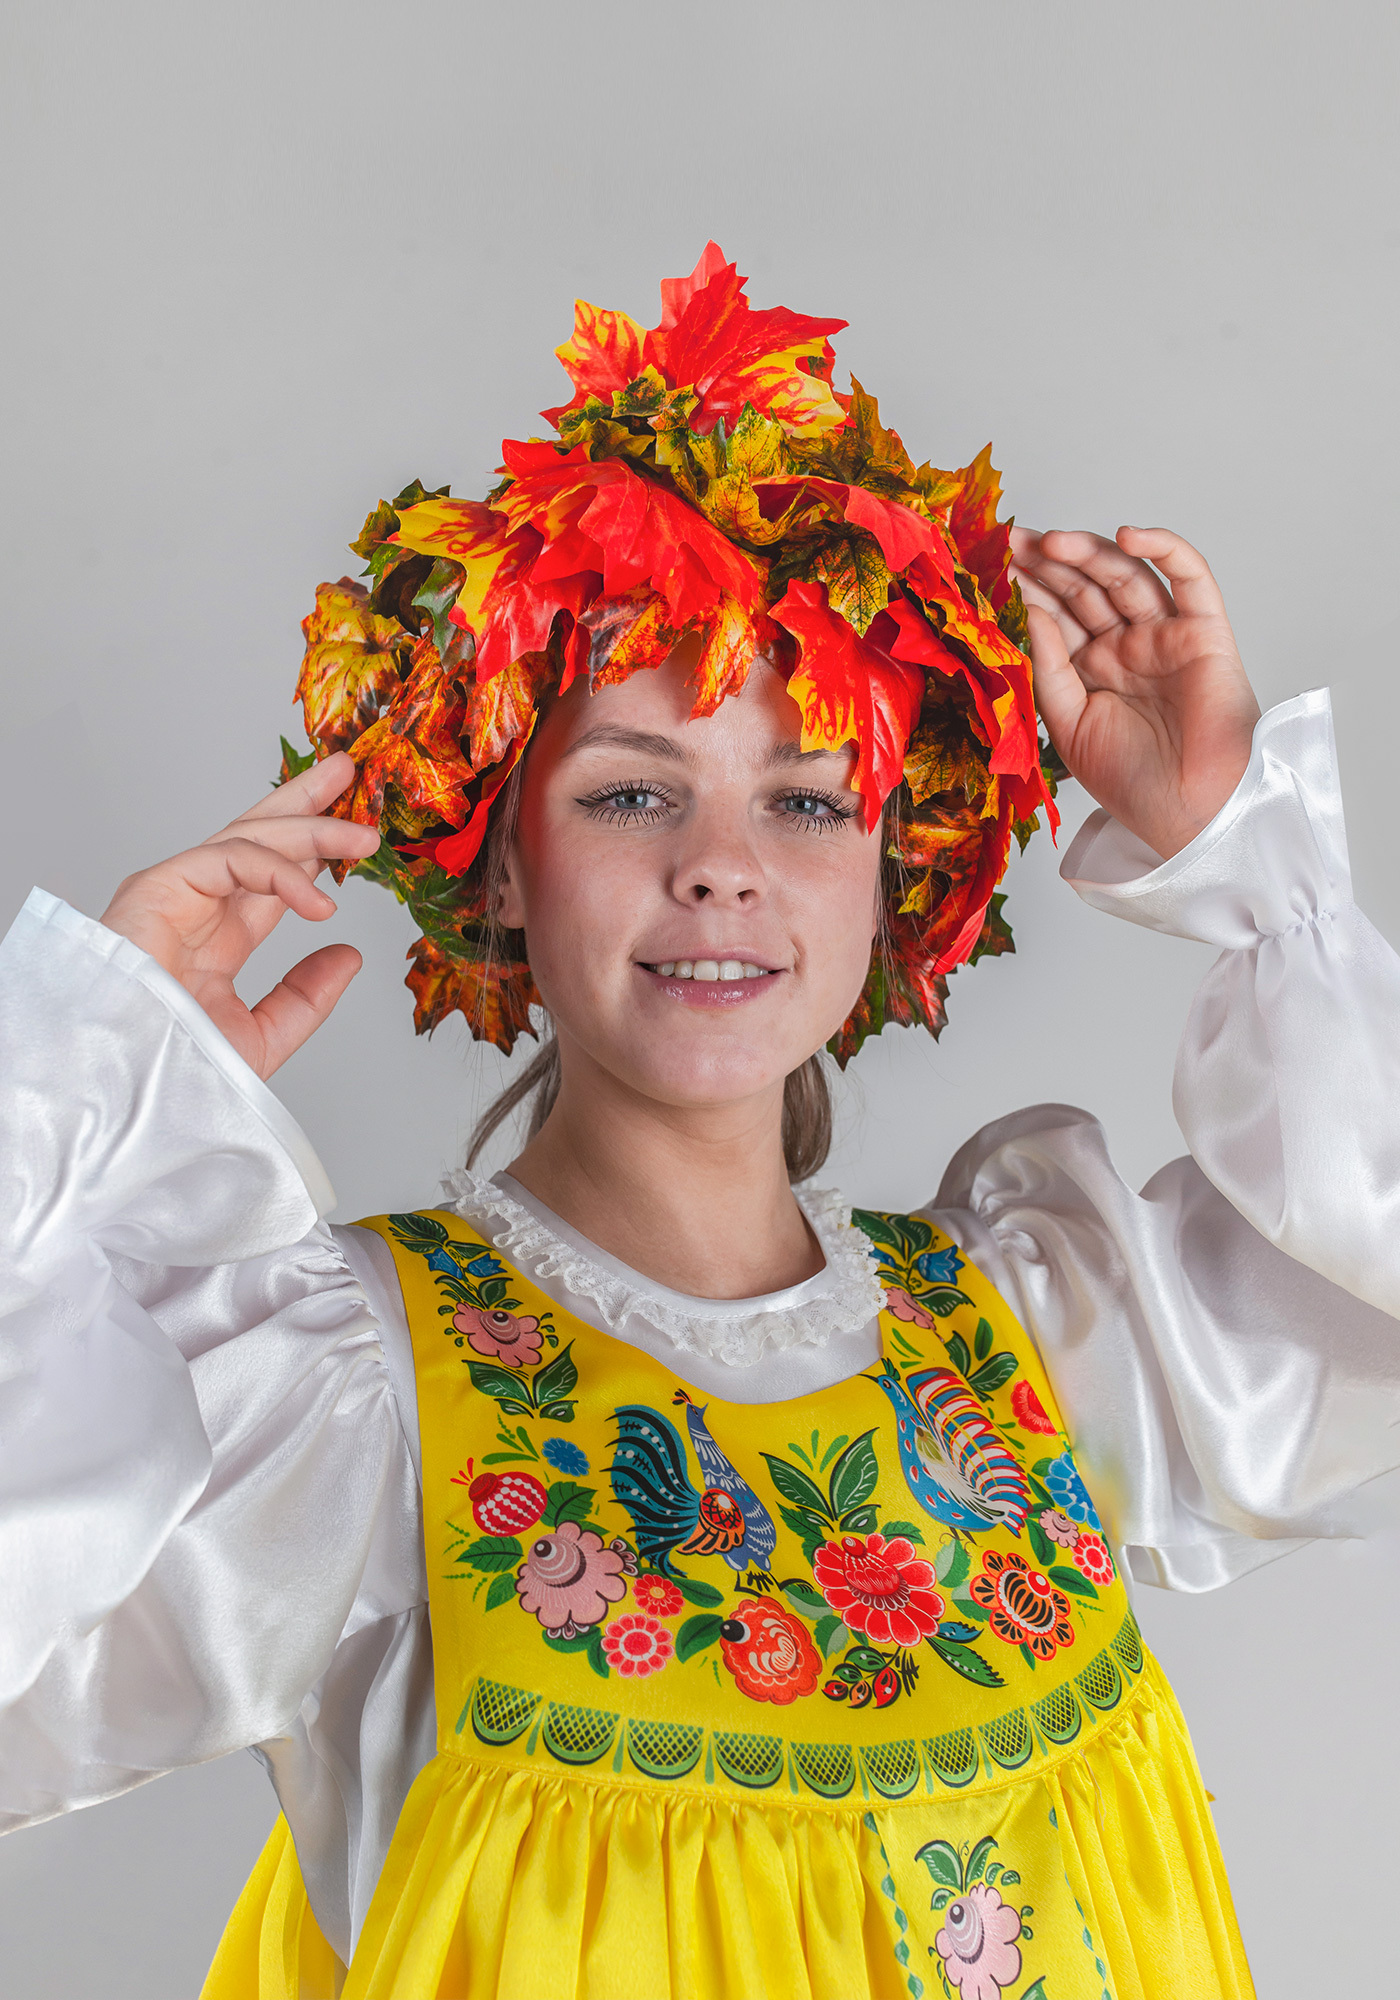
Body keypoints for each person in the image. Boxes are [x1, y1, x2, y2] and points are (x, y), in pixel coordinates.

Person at [2, 247, 1398, 2000]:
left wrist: (1246, 862)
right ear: (500, 869)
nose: (722, 865)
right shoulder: (352, 1398)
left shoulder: (1049, 1342)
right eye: (630, 794)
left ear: (897, 878)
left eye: (808, 802)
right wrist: (87, 1068)